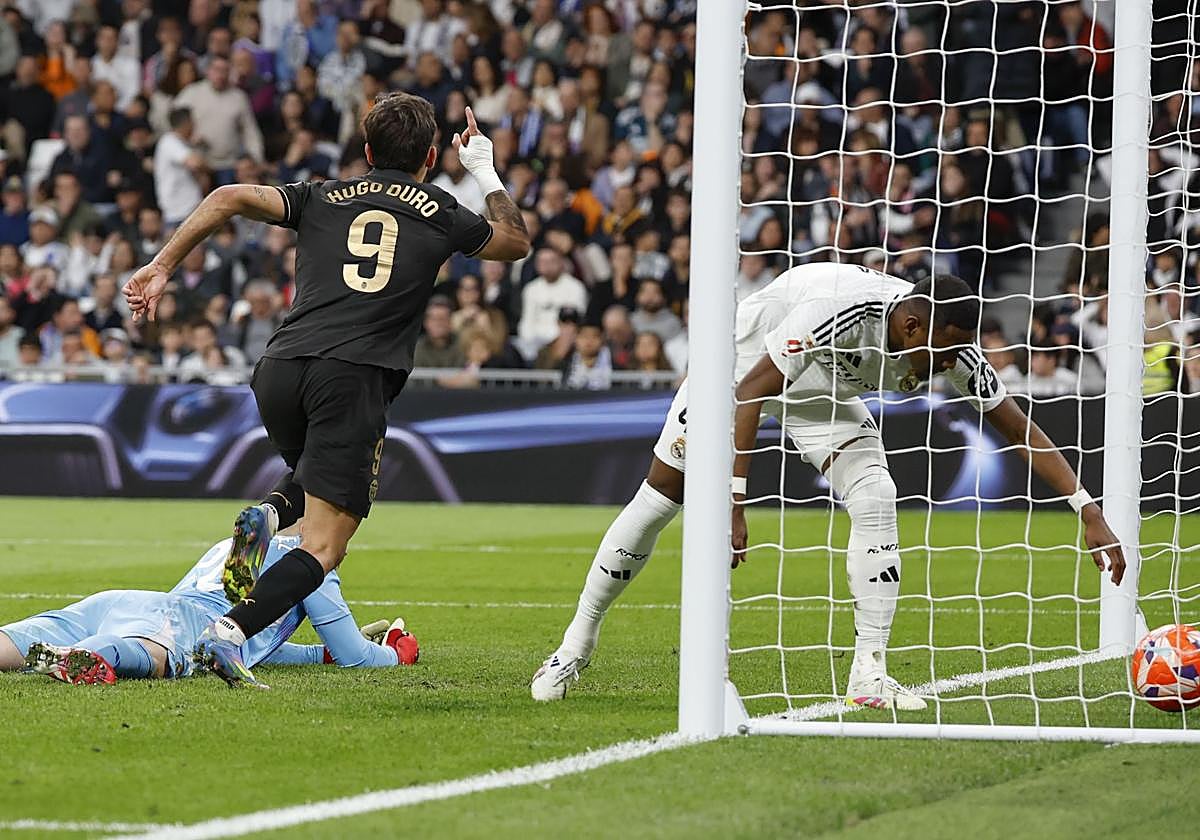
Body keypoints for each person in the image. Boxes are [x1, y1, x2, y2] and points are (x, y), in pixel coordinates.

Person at [532, 265, 1126, 709]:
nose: (946, 368)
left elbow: (1018, 427)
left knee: (876, 494)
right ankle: (573, 647)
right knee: (661, 501)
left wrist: (1087, 509)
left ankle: (869, 673)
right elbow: (752, 391)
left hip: (824, 397)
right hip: (739, 371)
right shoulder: (845, 309)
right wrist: (734, 503)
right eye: (940, 354)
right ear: (913, 323)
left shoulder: (955, 349)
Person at [124, 96, 529, 687]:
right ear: (431, 156)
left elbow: (225, 197)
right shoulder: (441, 210)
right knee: (324, 546)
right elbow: (515, 243)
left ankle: (268, 512)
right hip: (353, 375)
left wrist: (161, 265)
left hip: (280, 368)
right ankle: (231, 633)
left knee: (311, 481)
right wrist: (486, 172)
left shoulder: (320, 194)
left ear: (366, 154)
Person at [0, 527, 419, 686]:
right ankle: (89, 656)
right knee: (150, 654)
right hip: (187, 623)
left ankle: (60, 648)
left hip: (135, 602)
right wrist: (396, 652)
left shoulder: (241, 540)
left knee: (18, 641)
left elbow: (248, 631)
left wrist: (315, 654)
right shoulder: (312, 565)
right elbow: (356, 657)